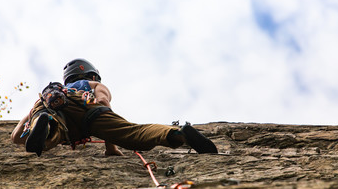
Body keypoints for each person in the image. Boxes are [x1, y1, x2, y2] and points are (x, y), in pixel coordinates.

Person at [11, 58, 218, 157]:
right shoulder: (94, 84)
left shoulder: (51, 93)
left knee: (46, 136)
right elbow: (103, 103)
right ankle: (179, 134)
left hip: (49, 106)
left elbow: (15, 135)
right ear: (92, 75)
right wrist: (111, 147)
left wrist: (35, 116)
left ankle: (45, 124)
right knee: (134, 133)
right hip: (87, 108)